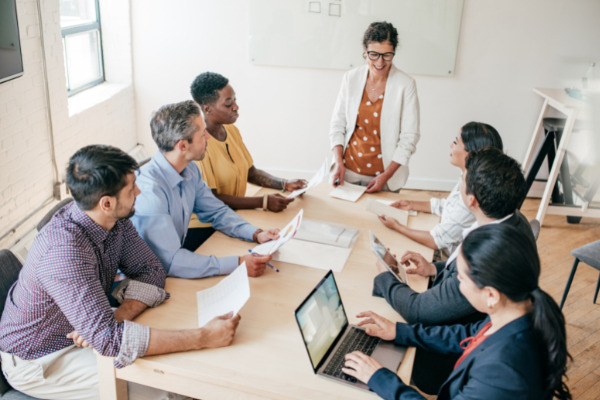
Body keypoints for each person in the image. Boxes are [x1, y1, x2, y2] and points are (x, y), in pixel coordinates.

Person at [0, 145, 242, 400]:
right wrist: (204, 336)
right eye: (131, 189)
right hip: (41, 358)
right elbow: (109, 341)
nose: (139, 191)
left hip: (89, 330)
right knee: (173, 387)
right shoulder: (64, 251)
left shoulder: (114, 219)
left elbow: (150, 270)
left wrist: (114, 318)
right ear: (106, 203)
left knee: (188, 356)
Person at [342, 223, 572, 400]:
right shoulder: (518, 309)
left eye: (460, 279)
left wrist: (379, 378)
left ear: (491, 295)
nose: (458, 285)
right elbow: (467, 335)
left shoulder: (502, 370)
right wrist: (399, 331)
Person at [373, 148, 535, 393]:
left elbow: (419, 310)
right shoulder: (513, 224)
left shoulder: (496, 375)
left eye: (461, 276)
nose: (458, 276)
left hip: (443, 365)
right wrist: (435, 270)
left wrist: (381, 378)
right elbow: (472, 332)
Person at [130, 100, 280, 279]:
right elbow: (171, 262)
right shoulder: (150, 194)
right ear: (183, 146)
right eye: (202, 133)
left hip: (171, 266)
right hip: (144, 279)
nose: (208, 137)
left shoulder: (189, 168)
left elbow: (216, 211)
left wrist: (256, 234)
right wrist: (238, 263)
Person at [378, 122, 503, 260]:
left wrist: (397, 226)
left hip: (446, 259)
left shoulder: (471, 196)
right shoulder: (468, 178)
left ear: (471, 153)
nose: (451, 145)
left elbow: (436, 241)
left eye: (456, 142)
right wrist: (411, 204)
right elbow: (447, 206)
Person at [190, 71, 307, 212]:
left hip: (233, 215)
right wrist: (263, 201)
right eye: (228, 104)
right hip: (207, 224)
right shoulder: (199, 144)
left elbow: (250, 173)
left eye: (235, 100)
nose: (236, 107)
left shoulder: (232, 131)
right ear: (207, 108)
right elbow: (211, 198)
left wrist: (284, 183)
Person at [329, 21, 420, 192]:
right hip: (347, 173)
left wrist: (385, 177)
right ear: (364, 49)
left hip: (385, 177)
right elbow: (337, 124)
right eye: (374, 55)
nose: (380, 62)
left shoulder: (406, 84)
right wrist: (338, 163)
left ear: (394, 52)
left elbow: (409, 137)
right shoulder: (351, 78)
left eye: (387, 55)